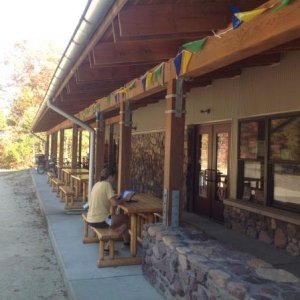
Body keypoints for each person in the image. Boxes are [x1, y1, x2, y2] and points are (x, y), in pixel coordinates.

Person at [86, 167, 129, 248]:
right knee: (126, 219)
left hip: (91, 219)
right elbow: (114, 204)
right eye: (114, 177)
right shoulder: (107, 184)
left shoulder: (97, 184)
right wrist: (123, 199)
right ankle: (108, 246)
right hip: (101, 220)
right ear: (110, 176)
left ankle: (126, 242)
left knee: (123, 223)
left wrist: (115, 196)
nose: (114, 179)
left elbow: (106, 197)